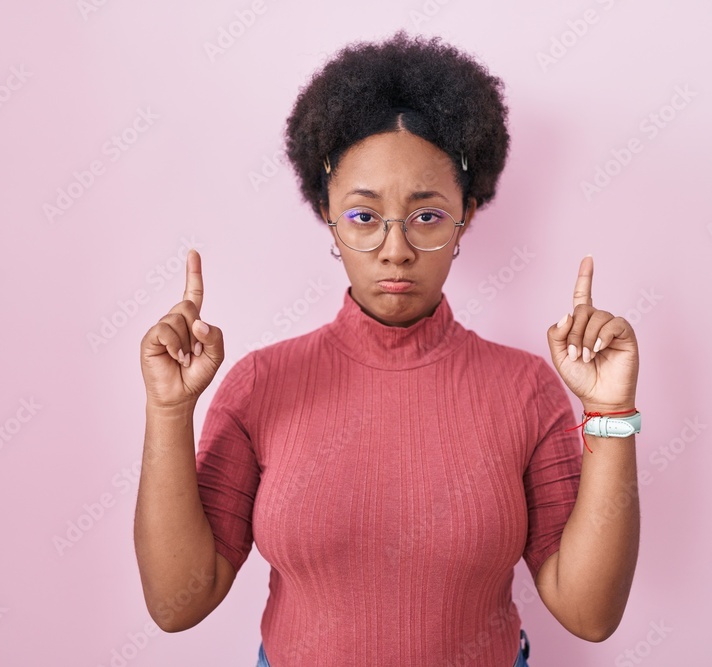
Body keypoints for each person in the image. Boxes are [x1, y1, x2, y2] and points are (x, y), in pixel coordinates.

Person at [133, 30, 640, 666]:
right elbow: (178, 603)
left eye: (426, 216)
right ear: (327, 214)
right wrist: (169, 409)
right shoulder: (262, 382)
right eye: (364, 216)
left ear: (467, 214)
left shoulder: (525, 389)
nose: (395, 249)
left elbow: (590, 614)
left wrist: (612, 411)